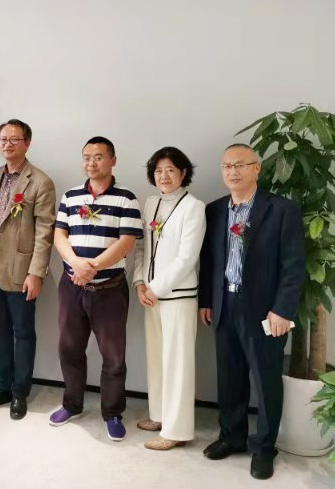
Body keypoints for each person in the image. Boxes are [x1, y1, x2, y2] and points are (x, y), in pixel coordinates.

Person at [199, 143, 304, 480]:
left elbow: (293, 266)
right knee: (229, 377)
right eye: (227, 166)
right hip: (224, 304)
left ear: (257, 168)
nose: (233, 171)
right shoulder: (215, 210)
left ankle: (264, 449)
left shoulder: (281, 209)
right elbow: (210, 260)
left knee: (266, 380)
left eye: (240, 165)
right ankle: (232, 437)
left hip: (264, 311)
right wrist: (206, 300)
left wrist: (282, 310)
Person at [49, 136, 142, 442]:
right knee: (69, 349)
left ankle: (112, 413)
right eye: (87, 157)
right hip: (71, 287)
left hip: (109, 290)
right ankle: (71, 404)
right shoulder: (71, 196)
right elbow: (59, 235)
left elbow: (126, 242)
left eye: (99, 156)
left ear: (112, 160)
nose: (92, 162)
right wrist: (76, 264)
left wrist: (92, 268)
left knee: (113, 356)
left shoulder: (126, 199)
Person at [0, 119, 56, 420]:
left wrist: (36, 273)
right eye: (3, 139)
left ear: (27, 143)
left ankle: (20, 392)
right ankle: (1, 387)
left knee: (22, 332)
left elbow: (44, 232)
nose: (7, 144)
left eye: (14, 139)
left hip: (21, 268)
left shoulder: (41, 181)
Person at [131, 147, 206, 450]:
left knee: (177, 364)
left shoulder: (194, 207)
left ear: (183, 173)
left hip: (177, 297)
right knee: (157, 359)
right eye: (158, 170)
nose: (164, 176)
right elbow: (141, 247)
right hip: (150, 295)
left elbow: (187, 258)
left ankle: (176, 430)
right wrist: (139, 282)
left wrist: (156, 288)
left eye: (170, 170)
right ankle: (160, 416)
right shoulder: (150, 204)